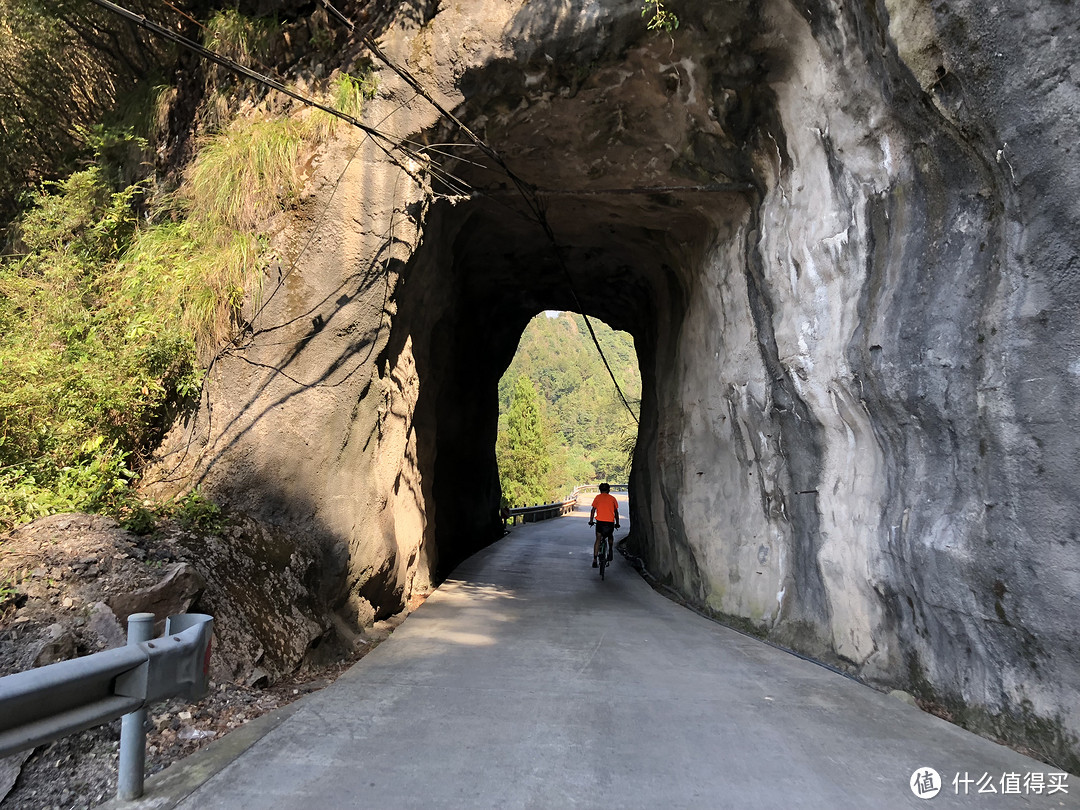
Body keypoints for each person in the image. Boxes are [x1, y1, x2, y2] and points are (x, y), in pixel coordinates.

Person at [588, 483, 620, 568]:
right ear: (609, 490)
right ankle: (610, 550)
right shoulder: (612, 498)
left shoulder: (597, 497)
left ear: (600, 490)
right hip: (610, 523)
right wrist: (617, 523)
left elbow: (593, 510)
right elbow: (616, 512)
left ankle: (595, 560)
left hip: (600, 522)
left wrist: (591, 521)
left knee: (598, 539)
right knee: (610, 535)